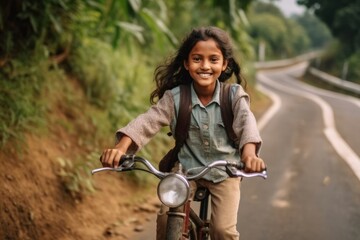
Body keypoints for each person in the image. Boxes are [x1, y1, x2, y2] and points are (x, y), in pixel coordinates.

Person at [100, 26, 266, 239]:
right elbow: (146, 122)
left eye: (213, 60)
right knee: (166, 217)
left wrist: (249, 155)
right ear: (187, 63)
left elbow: (246, 123)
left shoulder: (232, 95)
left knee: (222, 230)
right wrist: (120, 149)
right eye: (197, 59)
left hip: (226, 172)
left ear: (224, 64)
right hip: (185, 171)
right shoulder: (175, 98)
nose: (205, 66)